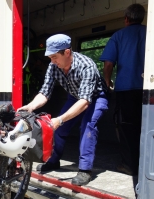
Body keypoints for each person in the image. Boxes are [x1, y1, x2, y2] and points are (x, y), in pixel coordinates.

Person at [18, 34, 109, 186]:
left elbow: (85, 102)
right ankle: (53, 161)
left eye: (54, 57)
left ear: (67, 52)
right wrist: (30, 106)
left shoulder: (87, 66)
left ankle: (85, 170)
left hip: (94, 98)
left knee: (88, 127)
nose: (52, 61)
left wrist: (59, 119)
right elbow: (45, 92)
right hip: (75, 97)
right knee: (59, 130)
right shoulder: (54, 67)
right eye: (50, 57)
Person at [100, 4, 146, 176]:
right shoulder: (150, 33)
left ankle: (129, 164)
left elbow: (109, 64)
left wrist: (107, 81)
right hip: (148, 90)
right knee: (145, 127)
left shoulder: (118, 36)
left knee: (127, 128)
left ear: (126, 19)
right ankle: (145, 163)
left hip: (126, 90)